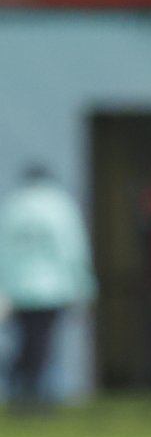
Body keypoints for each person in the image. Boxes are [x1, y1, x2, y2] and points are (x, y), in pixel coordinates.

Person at [0, 164, 95, 409]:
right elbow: (73, 248)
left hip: (20, 288)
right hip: (52, 288)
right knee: (43, 343)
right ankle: (34, 394)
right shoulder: (60, 206)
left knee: (30, 342)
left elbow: (5, 252)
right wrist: (84, 286)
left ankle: (26, 390)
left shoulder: (13, 206)